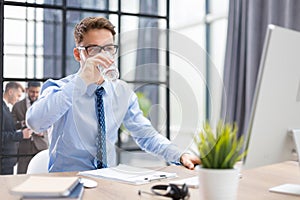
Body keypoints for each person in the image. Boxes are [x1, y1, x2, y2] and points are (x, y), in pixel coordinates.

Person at [26, 16, 200, 172]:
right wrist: (80, 82)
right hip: (67, 181)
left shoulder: (122, 92)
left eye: (108, 48)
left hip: (107, 179)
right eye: (94, 49)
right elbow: (35, 122)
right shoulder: (59, 88)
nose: (103, 55)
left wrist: (179, 155)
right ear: (78, 55)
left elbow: (145, 135)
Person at [12, 81, 49, 174]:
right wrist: (22, 124)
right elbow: (12, 125)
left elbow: (51, 123)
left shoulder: (44, 104)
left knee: (42, 175)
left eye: (37, 92)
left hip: (41, 145)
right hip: (24, 147)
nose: (35, 95)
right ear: (27, 90)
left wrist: (42, 132)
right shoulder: (17, 106)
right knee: (22, 174)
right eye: (32, 92)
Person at [1, 82, 32, 174]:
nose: (18, 99)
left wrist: (21, 125)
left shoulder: (5, 108)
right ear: (10, 92)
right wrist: (21, 135)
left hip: (7, 160)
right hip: (3, 161)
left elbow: (7, 129)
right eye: (18, 95)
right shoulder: (2, 108)